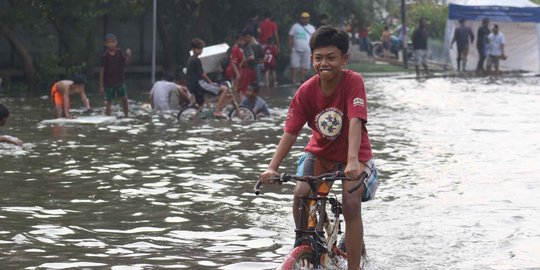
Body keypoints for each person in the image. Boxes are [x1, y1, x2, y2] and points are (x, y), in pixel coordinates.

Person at [259, 26, 378, 270]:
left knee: (351, 203)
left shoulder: (353, 82)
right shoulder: (306, 90)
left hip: (354, 158)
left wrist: (353, 160)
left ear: (344, 58)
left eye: (331, 58)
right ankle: (307, 242)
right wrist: (272, 167)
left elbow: (355, 120)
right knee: (302, 193)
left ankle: (353, 267)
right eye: (318, 58)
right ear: (312, 58)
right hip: (319, 154)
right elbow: (290, 131)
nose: (324, 63)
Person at [186, 38, 229, 118]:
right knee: (225, 89)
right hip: (199, 84)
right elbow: (203, 74)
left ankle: (199, 116)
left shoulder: (190, 59)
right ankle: (217, 111)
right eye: (200, 49)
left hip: (192, 85)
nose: (201, 51)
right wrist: (210, 82)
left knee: (202, 105)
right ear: (195, 49)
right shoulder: (196, 60)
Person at [100, 33, 132, 117]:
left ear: (116, 42)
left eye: (113, 42)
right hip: (109, 83)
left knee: (124, 99)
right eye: (109, 42)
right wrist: (101, 85)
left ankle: (126, 115)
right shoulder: (105, 56)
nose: (111, 44)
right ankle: (108, 117)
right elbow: (102, 70)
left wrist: (129, 56)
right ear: (106, 44)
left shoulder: (119, 52)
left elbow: (126, 63)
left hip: (120, 81)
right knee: (109, 101)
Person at [288, 12, 316, 84]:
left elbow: (314, 38)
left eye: (306, 18)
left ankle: (302, 79)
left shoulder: (311, 28)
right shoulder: (295, 26)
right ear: (301, 19)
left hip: (307, 49)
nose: (305, 20)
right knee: (294, 65)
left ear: (309, 19)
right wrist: (290, 46)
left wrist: (313, 48)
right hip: (295, 49)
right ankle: (293, 79)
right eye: (303, 18)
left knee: (305, 65)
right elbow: (290, 36)